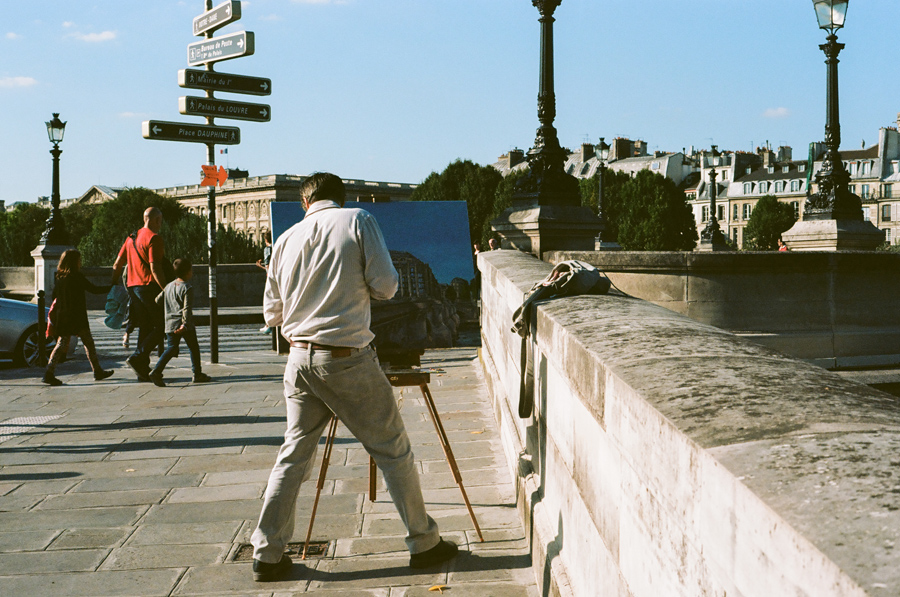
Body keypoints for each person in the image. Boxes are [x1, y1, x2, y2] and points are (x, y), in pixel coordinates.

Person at [250, 172, 457, 582]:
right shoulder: (358, 220)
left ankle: (267, 553)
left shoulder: (285, 240)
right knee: (392, 449)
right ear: (340, 198)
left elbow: (272, 315)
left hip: (299, 360)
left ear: (304, 203)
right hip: (346, 358)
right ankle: (423, 542)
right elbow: (387, 287)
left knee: (293, 455)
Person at [110, 207, 169, 382]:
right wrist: (167, 290)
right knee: (162, 326)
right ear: (155, 220)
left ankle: (142, 369)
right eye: (160, 221)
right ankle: (138, 357)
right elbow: (155, 268)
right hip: (148, 287)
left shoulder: (131, 238)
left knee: (145, 326)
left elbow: (117, 264)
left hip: (132, 288)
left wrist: (113, 284)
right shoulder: (154, 238)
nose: (160, 224)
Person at [43, 250, 114, 386]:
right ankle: (97, 370)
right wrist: (111, 288)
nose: (80, 262)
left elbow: (54, 296)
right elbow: (93, 289)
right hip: (77, 316)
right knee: (89, 344)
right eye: (79, 260)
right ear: (74, 262)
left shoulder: (59, 277)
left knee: (61, 344)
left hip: (63, 316)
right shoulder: (77, 276)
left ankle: (49, 372)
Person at [148, 258, 211, 387]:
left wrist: (169, 307)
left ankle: (157, 371)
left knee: (171, 348)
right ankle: (197, 373)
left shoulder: (168, 286)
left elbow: (157, 300)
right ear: (188, 272)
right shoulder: (187, 287)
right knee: (193, 348)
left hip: (170, 323)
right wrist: (185, 324)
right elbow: (186, 308)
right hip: (184, 324)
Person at [256, 230, 273, 334]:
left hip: (271, 278)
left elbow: (268, 267)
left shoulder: (267, 249)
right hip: (278, 276)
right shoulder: (276, 247)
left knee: (268, 301)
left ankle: (268, 325)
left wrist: (259, 266)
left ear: (266, 240)